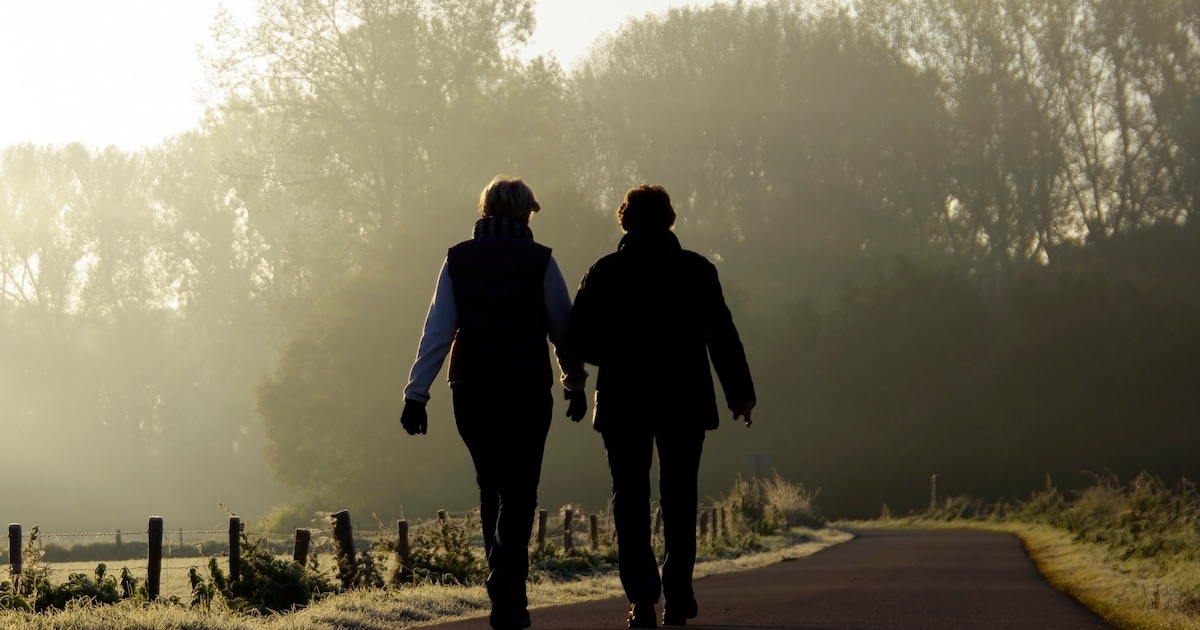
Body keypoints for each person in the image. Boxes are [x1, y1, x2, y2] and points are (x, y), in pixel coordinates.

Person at [399, 175, 589, 630]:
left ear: (485, 210)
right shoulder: (540, 260)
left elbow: (438, 331)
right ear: (526, 213)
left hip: (472, 385)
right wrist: (574, 382)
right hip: (525, 384)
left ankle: (507, 595)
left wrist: (416, 393)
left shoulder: (457, 259)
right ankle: (506, 575)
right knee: (520, 489)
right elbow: (563, 328)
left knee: (492, 486)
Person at [567, 184, 756, 628]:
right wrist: (740, 394)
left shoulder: (605, 272)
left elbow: (578, 337)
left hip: (623, 401)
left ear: (625, 220)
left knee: (629, 498)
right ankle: (677, 592)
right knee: (680, 497)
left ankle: (641, 600)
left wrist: (617, 351)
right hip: (684, 400)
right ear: (670, 219)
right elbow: (722, 337)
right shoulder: (697, 270)